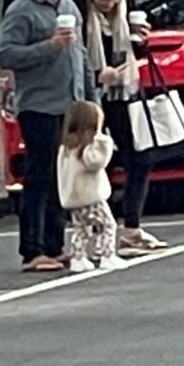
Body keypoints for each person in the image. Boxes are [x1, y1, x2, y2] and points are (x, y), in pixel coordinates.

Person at [0, 0, 98, 274]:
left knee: (63, 176)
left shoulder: (69, 6)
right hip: (39, 105)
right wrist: (48, 46)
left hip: (71, 104)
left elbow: (80, 54)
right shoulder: (21, 11)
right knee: (39, 176)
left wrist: (91, 99)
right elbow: (6, 55)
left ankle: (55, 245)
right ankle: (32, 249)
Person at [78, 0, 166, 256]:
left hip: (123, 93)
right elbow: (75, 56)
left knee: (139, 157)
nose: (109, 6)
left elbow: (136, 50)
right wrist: (97, 74)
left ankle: (132, 228)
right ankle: (92, 230)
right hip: (93, 97)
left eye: (114, 0)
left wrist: (141, 39)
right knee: (93, 162)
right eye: (104, 1)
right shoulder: (80, 13)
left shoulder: (127, 10)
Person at [57, 100, 125, 272]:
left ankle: (78, 258)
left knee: (81, 229)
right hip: (91, 197)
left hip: (74, 198)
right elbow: (96, 163)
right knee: (108, 225)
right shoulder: (86, 147)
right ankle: (107, 255)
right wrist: (104, 142)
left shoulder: (66, 148)